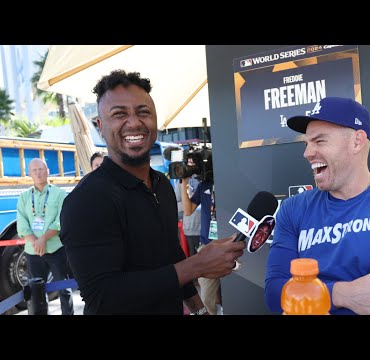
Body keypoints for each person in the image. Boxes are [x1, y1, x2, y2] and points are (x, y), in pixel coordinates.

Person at [59, 70, 245, 315]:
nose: (134, 122)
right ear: (101, 127)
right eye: (119, 114)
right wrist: (197, 265)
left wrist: (199, 309)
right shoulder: (86, 200)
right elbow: (102, 296)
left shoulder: (161, 184)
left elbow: (171, 255)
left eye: (143, 112)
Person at [264, 97, 370, 315]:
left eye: (319, 141)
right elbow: (274, 294)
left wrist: (308, 298)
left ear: (357, 141)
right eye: (307, 143)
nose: (307, 153)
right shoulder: (292, 209)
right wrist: (344, 294)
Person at [17, 158, 73, 315]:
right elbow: (22, 224)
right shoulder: (24, 197)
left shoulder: (60, 194)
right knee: (37, 292)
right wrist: (35, 241)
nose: (38, 173)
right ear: (30, 174)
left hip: (56, 249)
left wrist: (43, 239)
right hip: (33, 252)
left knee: (64, 289)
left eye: (41, 169)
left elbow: (61, 221)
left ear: (47, 171)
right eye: (34, 170)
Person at [180, 153, 222, 315]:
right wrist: (184, 183)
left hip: (229, 244)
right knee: (205, 298)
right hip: (207, 247)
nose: (192, 169)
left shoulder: (227, 181)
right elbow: (188, 210)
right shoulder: (204, 185)